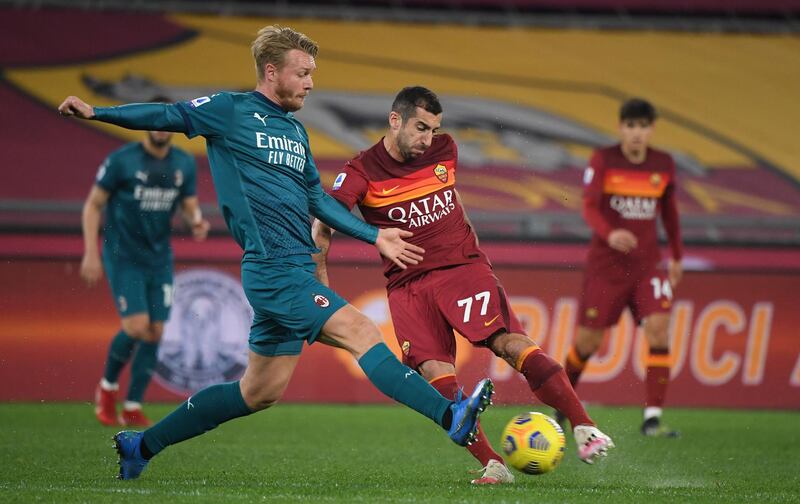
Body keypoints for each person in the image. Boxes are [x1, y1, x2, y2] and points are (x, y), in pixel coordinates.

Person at [59, 25, 494, 481]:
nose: (311, 83)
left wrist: (374, 235)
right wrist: (97, 111)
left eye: (312, 73)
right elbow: (166, 115)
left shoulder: (295, 131)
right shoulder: (230, 111)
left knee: (258, 391)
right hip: (271, 268)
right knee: (362, 331)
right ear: (272, 72)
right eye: (303, 73)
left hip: (294, 269)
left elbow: (319, 201)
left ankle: (139, 446)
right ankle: (452, 417)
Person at [311, 86, 615, 485]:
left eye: (433, 129)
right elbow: (322, 224)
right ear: (394, 119)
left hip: (460, 267)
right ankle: (494, 464)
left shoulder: (444, 149)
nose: (427, 139)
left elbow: (450, 198)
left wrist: (471, 249)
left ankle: (584, 427)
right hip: (406, 286)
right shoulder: (360, 171)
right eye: (420, 128)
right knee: (435, 372)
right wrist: (319, 283)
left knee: (507, 342)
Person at [562, 98, 683, 437]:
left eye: (642, 126)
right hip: (606, 267)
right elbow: (588, 207)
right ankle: (561, 407)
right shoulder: (604, 160)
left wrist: (677, 256)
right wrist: (610, 232)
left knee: (659, 330)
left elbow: (670, 214)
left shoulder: (664, 163)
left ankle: (652, 419)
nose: (636, 133)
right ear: (621, 128)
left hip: (647, 266)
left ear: (651, 129)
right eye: (630, 126)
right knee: (587, 343)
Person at [83, 124, 210, 427]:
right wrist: (90, 251)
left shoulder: (182, 162)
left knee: (155, 332)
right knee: (137, 326)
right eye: (155, 124)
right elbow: (93, 205)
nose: (161, 130)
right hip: (123, 256)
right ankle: (107, 388)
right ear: (145, 128)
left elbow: (188, 203)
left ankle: (132, 405)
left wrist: (196, 221)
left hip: (159, 258)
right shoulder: (122, 160)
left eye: (166, 125)